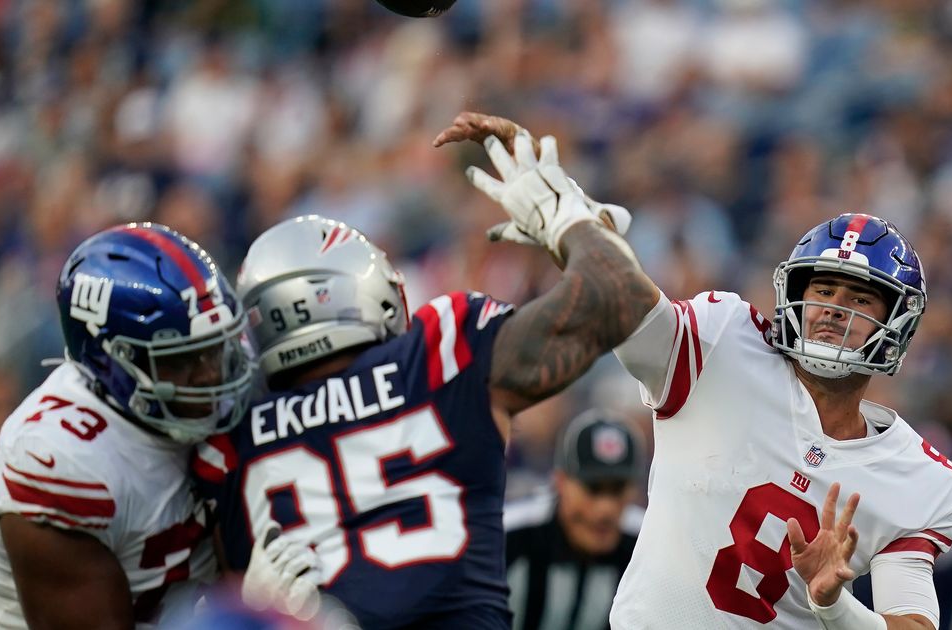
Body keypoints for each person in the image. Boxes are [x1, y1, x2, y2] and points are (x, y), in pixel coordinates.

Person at [436, 113, 952, 630]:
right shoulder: (726, 345)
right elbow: (623, 300)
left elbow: (911, 626)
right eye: (823, 290)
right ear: (794, 295)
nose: (833, 308)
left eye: (859, 298)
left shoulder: (918, 480)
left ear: (896, 322)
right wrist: (569, 219)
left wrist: (834, 604)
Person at [192, 132, 658, 628]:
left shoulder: (227, 432)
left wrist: (240, 606)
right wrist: (567, 219)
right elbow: (620, 296)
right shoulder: (438, 354)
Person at [0, 223, 314, 628]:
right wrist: (246, 610)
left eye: (214, 347)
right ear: (111, 363)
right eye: (181, 360)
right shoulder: (58, 459)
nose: (209, 376)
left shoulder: (210, 399)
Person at [504, 410, 644, 630]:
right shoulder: (508, 538)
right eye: (593, 488)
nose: (605, 510)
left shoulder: (647, 548)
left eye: (618, 489)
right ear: (560, 483)